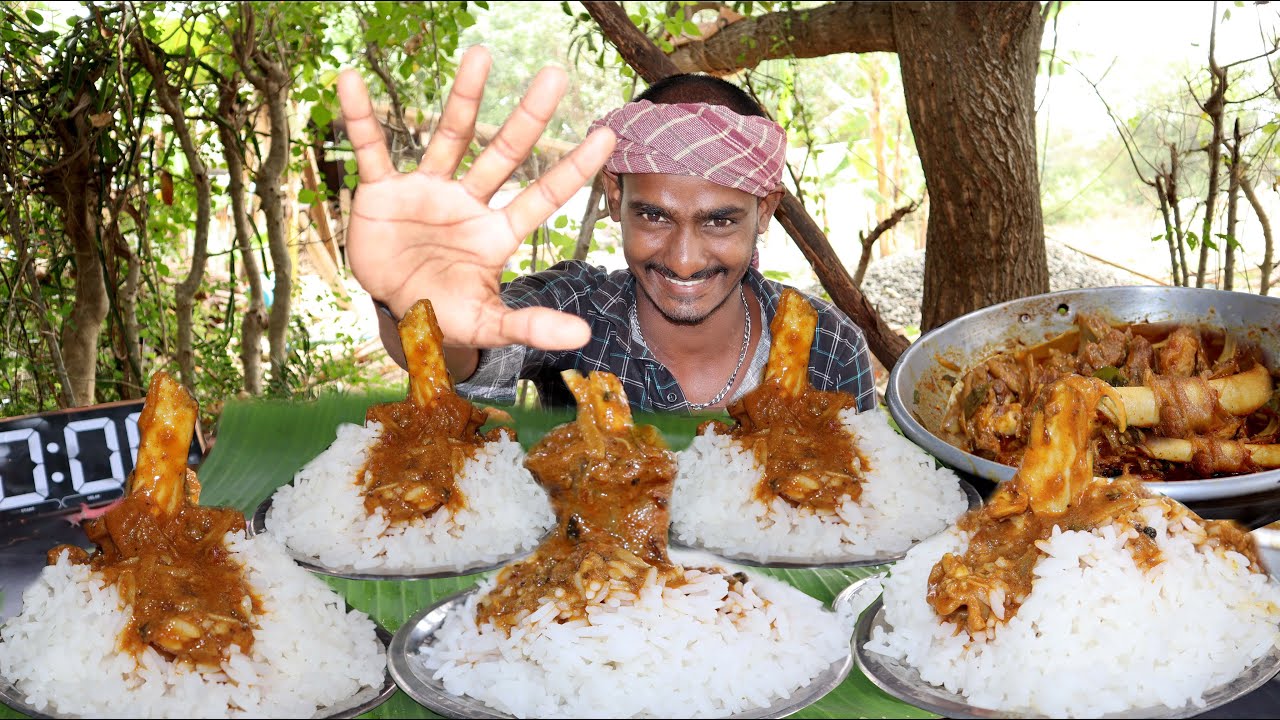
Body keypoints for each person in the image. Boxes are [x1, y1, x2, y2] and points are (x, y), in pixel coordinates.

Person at [336, 46, 875, 412]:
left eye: (719, 220)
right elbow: (465, 361)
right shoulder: (573, 307)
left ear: (765, 210)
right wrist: (411, 307)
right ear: (616, 197)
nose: (684, 259)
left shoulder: (830, 348)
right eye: (654, 216)